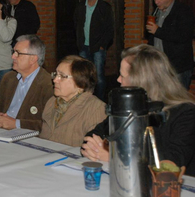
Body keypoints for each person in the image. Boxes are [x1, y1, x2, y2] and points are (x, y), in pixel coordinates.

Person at [81, 44, 195, 176]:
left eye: (123, 76)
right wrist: (94, 147)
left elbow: (171, 162)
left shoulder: (186, 113)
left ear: (141, 82)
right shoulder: (129, 106)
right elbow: (93, 135)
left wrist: (116, 156)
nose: (118, 80)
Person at [0, 34, 53, 131]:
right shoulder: (9, 78)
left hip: (28, 138)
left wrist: (16, 124)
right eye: (13, 52)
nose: (13, 56)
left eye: (18, 53)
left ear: (33, 59)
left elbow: (48, 124)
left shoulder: (49, 85)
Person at [39, 55, 107, 147]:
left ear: (80, 83)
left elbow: (94, 150)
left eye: (62, 76)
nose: (55, 80)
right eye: (55, 74)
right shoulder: (51, 102)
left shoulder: (96, 109)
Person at [146, 0, 194, 90]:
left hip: (177, 68)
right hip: (159, 67)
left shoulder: (183, 11)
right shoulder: (157, 12)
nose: (156, 1)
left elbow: (183, 36)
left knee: (178, 104)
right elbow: (154, 38)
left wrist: (157, 31)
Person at [73, 0, 114, 101]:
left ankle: (99, 102)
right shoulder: (80, 6)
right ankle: (86, 101)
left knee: (99, 77)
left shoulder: (105, 7)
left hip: (98, 48)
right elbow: (76, 24)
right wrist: (79, 43)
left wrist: (102, 45)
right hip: (83, 47)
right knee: (84, 76)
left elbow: (110, 29)